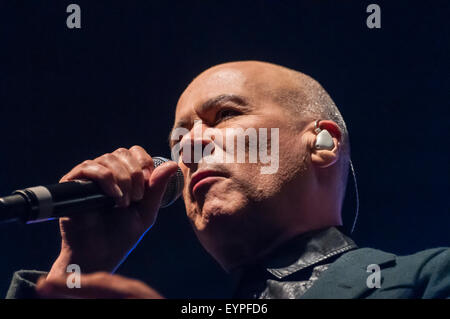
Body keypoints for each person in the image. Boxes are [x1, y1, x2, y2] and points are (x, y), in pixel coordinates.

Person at [6, 61, 450, 299]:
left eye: (225, 115)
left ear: (323, 143)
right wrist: (80, 264)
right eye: (179, 138)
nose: (189, 146)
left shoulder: (429, 278)